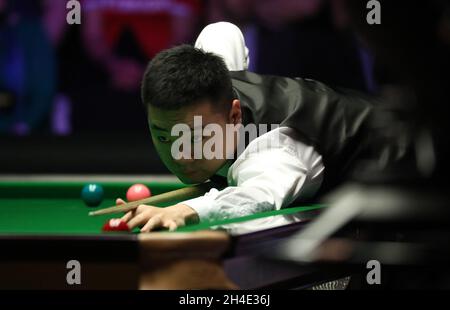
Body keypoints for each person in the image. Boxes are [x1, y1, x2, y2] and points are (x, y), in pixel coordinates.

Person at [114, 22, 381, 234]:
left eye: (195, 138)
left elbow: (258, 195)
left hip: (399, 165)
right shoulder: (214, 81)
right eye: (162, 136)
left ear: (234, 115)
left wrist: (183, 210)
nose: (181, 155)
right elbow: (222, 31)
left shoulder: (274, 149)